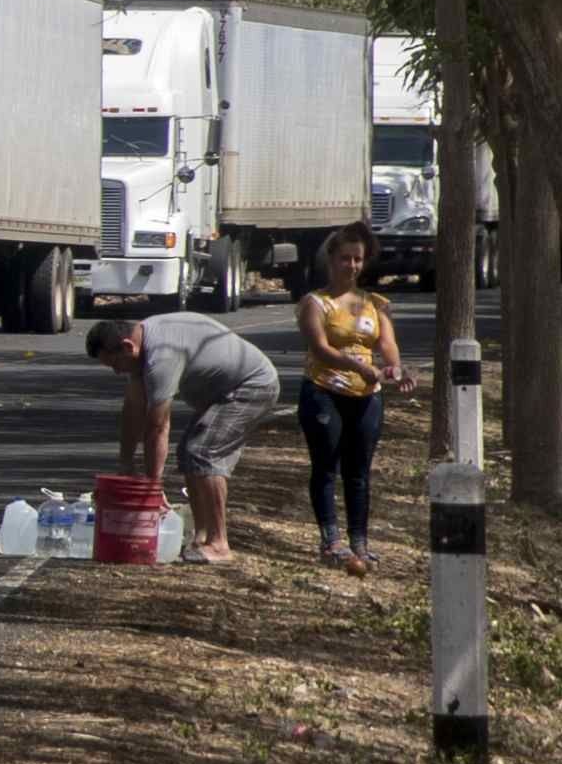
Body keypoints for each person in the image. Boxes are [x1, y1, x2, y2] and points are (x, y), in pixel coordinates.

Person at [85, 301, 284, 561]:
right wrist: (125, 463)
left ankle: (219, 543)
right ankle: (201, 537)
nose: (116, 371)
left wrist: (153, 487)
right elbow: (133, 412)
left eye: (114, 364)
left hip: (252, 385)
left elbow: (157, 426)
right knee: (189, 453)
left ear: (126, 346)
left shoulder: (160, 356)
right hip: (223, 392)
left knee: (202, 453)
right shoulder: (140, 347)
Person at [293, 224, 410, 574]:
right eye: (345, 258)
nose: (352, 266)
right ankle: (331, 541)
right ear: (331, 259)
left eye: (358, 259)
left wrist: (394, 371)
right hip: (323, 390)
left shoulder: (375, 304)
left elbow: (387, 347)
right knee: (326, 466)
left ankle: (360, 542)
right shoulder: (315, 303)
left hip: (366, 396)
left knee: (358, 472)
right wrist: (357, 366)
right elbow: (321, 349)